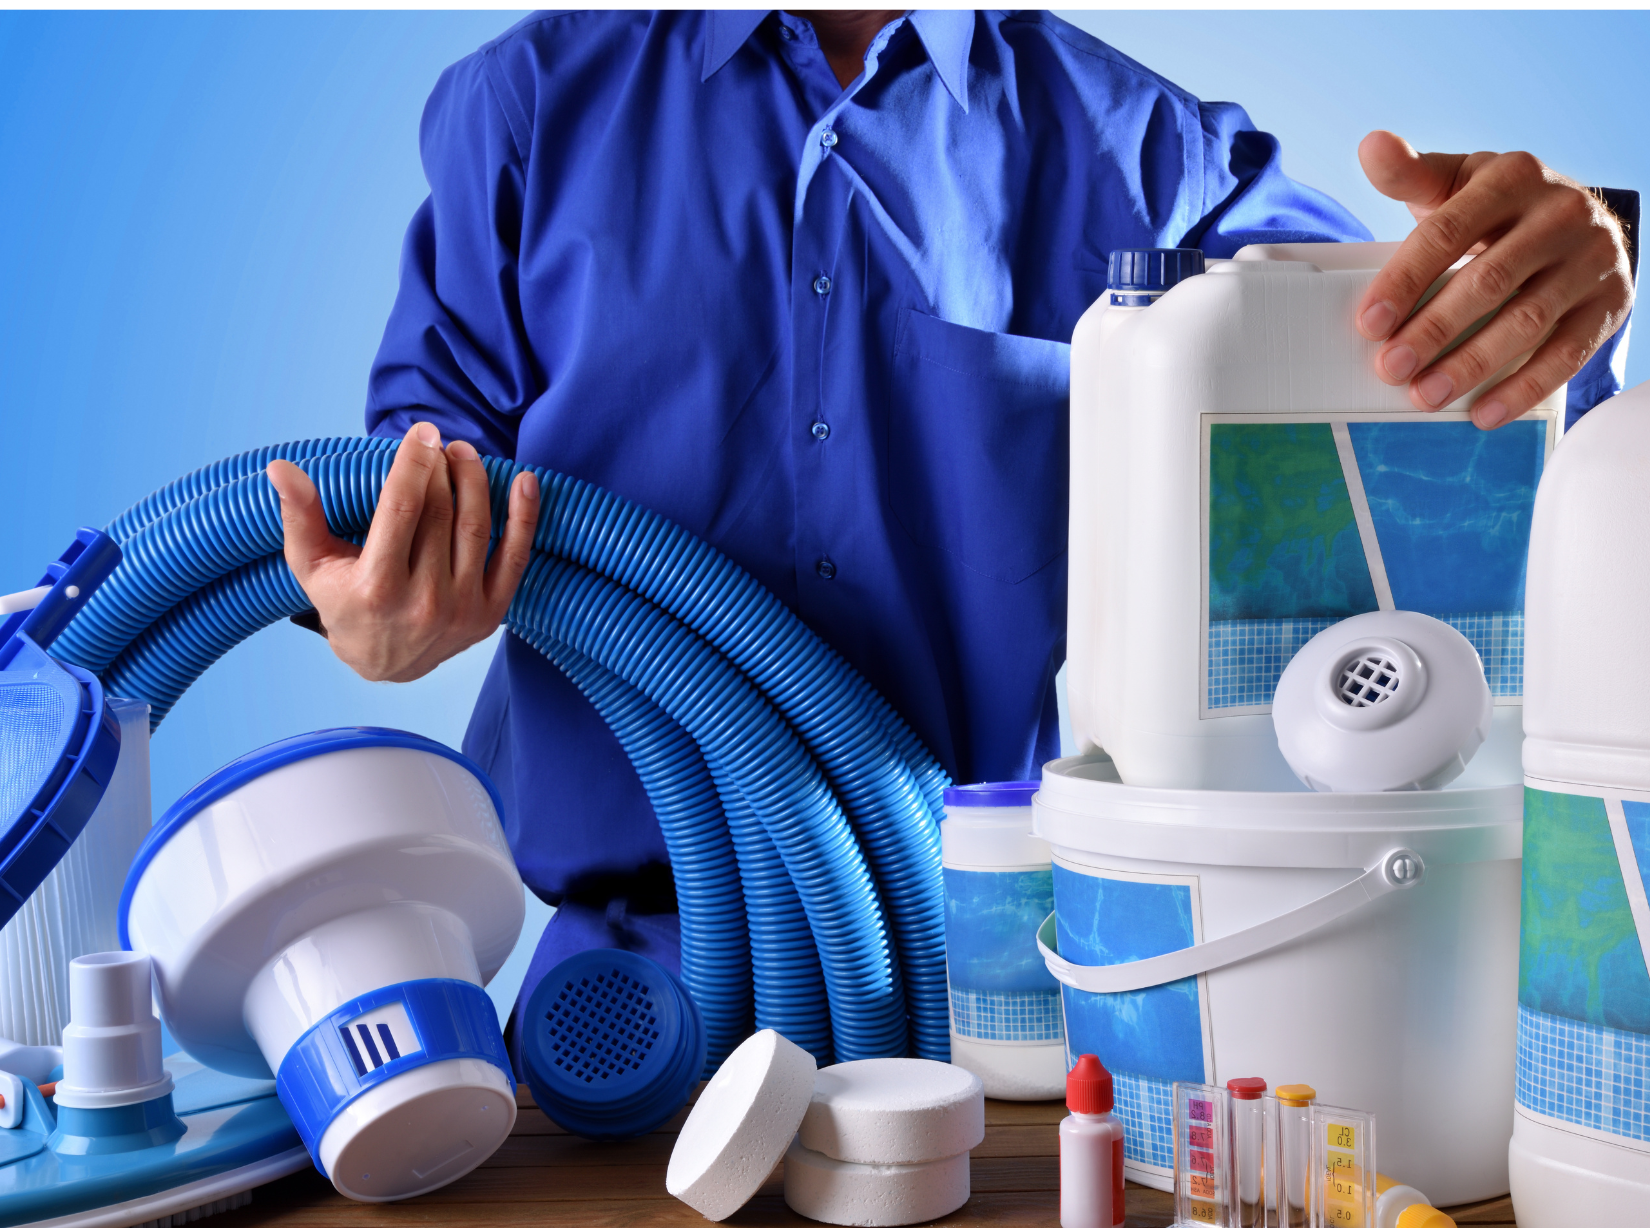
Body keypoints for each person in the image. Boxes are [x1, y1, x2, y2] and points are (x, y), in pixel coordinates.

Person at [264, 11, 1635, 1038]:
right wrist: (382, 597)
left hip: (1004, 984)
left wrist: (1547, 288)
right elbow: (409, 482)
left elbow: (1414, 383)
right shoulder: (527, 108)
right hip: (630, 1008)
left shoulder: (1150, 154)